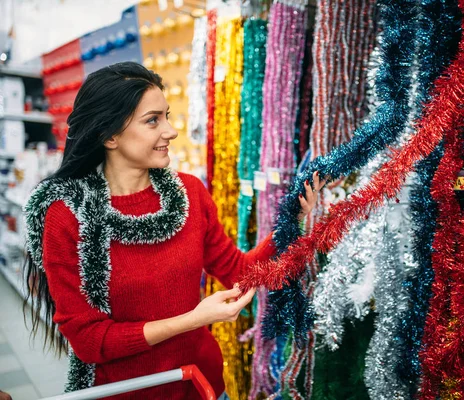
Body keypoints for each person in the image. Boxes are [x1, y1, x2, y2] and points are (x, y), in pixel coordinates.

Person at [23, 62, 324, 399]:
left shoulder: (189, 193)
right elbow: (90, 341)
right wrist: (193, 319)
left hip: (203, 386)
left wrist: (291, 218)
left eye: (166, 115)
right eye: (153, 120)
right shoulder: (68, 217)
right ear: (109, 135)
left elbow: (240, 272)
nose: (170, 130)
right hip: (129, 392)